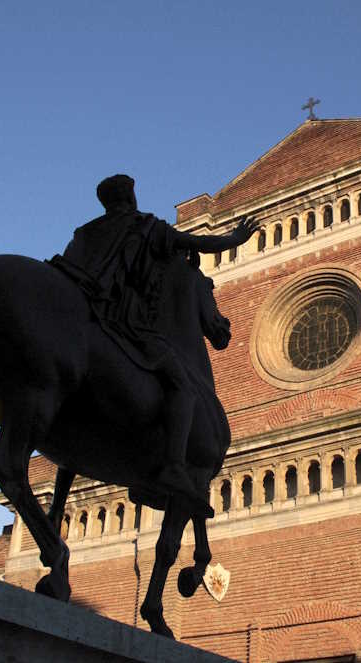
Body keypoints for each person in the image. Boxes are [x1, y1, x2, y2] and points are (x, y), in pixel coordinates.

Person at [49, 174, 255, 515]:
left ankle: (55, 509)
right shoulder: (143, 226)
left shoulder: (84, 233)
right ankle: (174, 465)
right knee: (181, 385)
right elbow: (199, 244)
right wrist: (237, 237)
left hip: (89, 316)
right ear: (130, 200)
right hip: (127, 323)